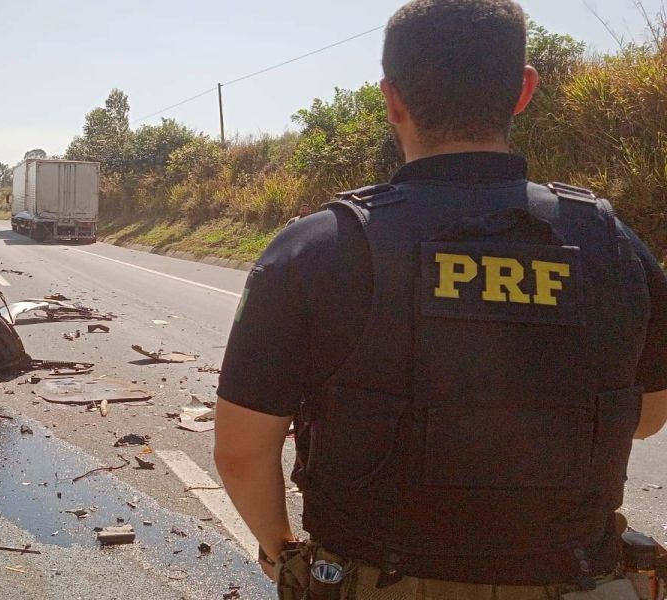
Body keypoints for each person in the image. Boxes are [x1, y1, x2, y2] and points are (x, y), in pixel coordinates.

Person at [213, 1, 667, 598]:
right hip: (577, 579)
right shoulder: (614, 243)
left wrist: (284, 557)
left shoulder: (319, 248)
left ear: (392, 99)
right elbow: (647, 418)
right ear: (523, 91)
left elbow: (241, 452)